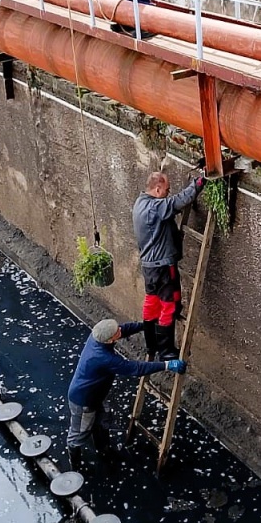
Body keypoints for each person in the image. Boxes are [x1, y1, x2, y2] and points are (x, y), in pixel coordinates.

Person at [66, 317, 185, 470]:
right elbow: (135, 368)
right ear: (109, 341)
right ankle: (75, 465)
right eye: (117, 332)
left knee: (103, 421)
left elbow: (124, 329)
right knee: (80, 432)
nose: (120, 331)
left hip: (97, 395)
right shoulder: (104, 358)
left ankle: (104, 450)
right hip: (83, 400)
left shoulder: (97, 336)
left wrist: (145, 325)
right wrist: (168, 364)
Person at [132, 170, 205, 362]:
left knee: (152, 302)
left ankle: (151, 344)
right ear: (157, 189)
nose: (168, 192)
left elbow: (168, 207)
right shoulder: (156, 208)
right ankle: (166, 350)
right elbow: (178, 201)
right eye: (166, 189)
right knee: (169, 304)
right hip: (163, 265)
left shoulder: (140, 203)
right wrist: (200, 182)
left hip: (149, 266)